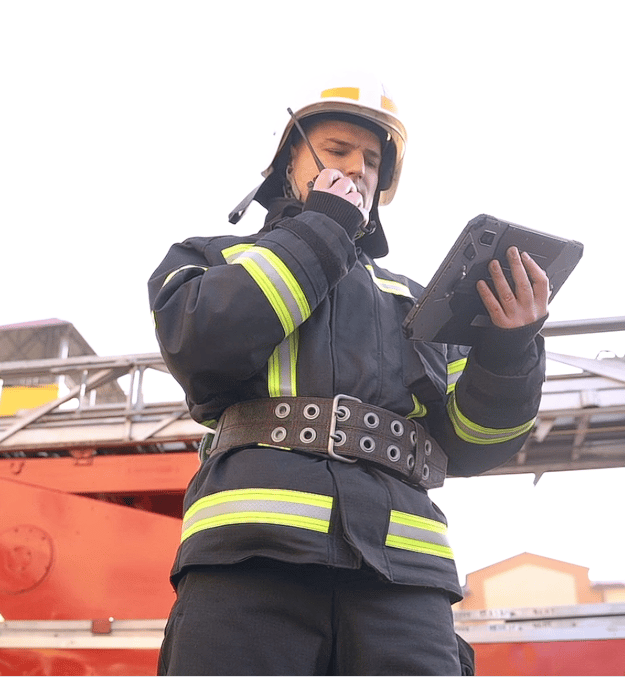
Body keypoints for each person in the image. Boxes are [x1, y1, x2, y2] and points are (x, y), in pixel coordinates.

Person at [147, 77, 548, 675]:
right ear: (288, 163)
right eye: (337, 151)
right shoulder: (213, 259)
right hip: (250, 559)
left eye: (372, 161)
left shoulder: (424, 303)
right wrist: (323, 229)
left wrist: (509, 348)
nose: (358, 169)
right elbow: (203, 345)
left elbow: (474, 443)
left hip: (406, 577)